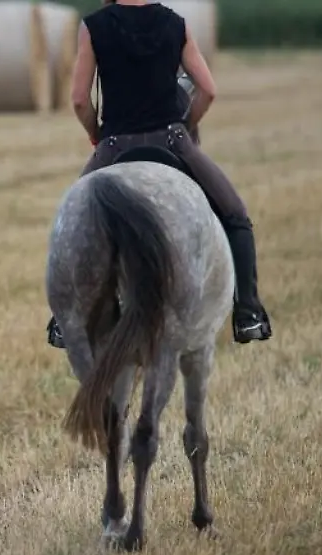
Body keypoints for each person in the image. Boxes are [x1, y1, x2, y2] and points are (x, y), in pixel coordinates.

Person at [46, 0, 272, 348]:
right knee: (235, 214)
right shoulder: (176, 24)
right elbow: (208, 90)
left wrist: (97, 136)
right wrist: (186, 127)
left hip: (115, 145)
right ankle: (248, 313)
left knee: (69, 223)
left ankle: (65, 319)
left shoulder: (93, 27)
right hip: (173, 139)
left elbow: (79, 99)